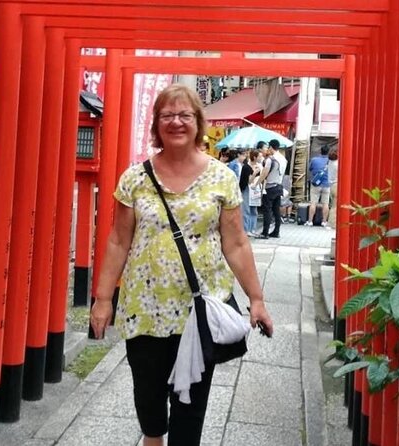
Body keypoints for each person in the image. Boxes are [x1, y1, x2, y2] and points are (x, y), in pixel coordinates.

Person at [90, 84, 273, 446]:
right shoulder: (135, 178)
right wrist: (102, 299)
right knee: (149, 402)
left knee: (191, 406)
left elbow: (235, 242)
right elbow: (118, 240)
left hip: (198, 310)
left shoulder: (221, 177)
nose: (176, 122)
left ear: (198, 122)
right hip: (144, 309)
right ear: (156, 125)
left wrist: (256, 298)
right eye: (167, 115)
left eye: (185, 115)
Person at [254, 140, 285, 239]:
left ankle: (265, 232)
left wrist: (257, 183)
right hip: (279, 186)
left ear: (271, 147)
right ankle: (276, 231)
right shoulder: (283, 159)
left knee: (267, 210)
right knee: (276, 211)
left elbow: (264, 173)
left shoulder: (270, 159)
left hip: (270, 187)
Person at [305, 145, 331, 227]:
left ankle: (310, 221)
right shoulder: (330, 161)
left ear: (320, 151)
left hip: (316, 184)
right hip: (327, 184)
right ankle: (324, 222)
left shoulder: (314, 160)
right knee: (326, 204)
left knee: (313, 203)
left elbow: (310, 169)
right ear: (328, 152)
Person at [239, 150, 259, 235]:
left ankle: (252, 229)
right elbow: (248, 181)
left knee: (254, 210)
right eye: (259, 156)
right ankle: (246, 230)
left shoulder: (259, 166)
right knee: (246, 210)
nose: (261, 158)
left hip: (256, 189)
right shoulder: (246, 167)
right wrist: (254, 173)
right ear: (254, 157)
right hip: (247, 189)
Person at [327, 149, 339, 229]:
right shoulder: (337, 164)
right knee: (335, 206)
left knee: (332, 205)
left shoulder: (330, 163)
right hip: (336, 184)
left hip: (331, 185)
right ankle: (332, 224)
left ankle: (330, 223)